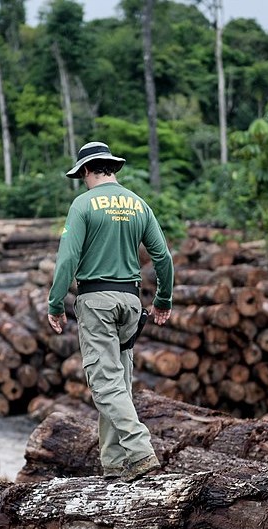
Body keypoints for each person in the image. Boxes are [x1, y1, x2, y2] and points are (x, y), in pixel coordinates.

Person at [47, 141, 174, 481]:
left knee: (104, 383)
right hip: (130, 303)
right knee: (118, 383)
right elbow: (162, 257)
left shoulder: (83, 205)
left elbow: (68, 259)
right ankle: (114, 464)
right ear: (112, 168)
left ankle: (140, 450)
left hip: (96, 301)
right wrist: (163, 300)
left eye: (82, 175)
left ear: (87, 170)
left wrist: (55, 303)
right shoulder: (138, 204)